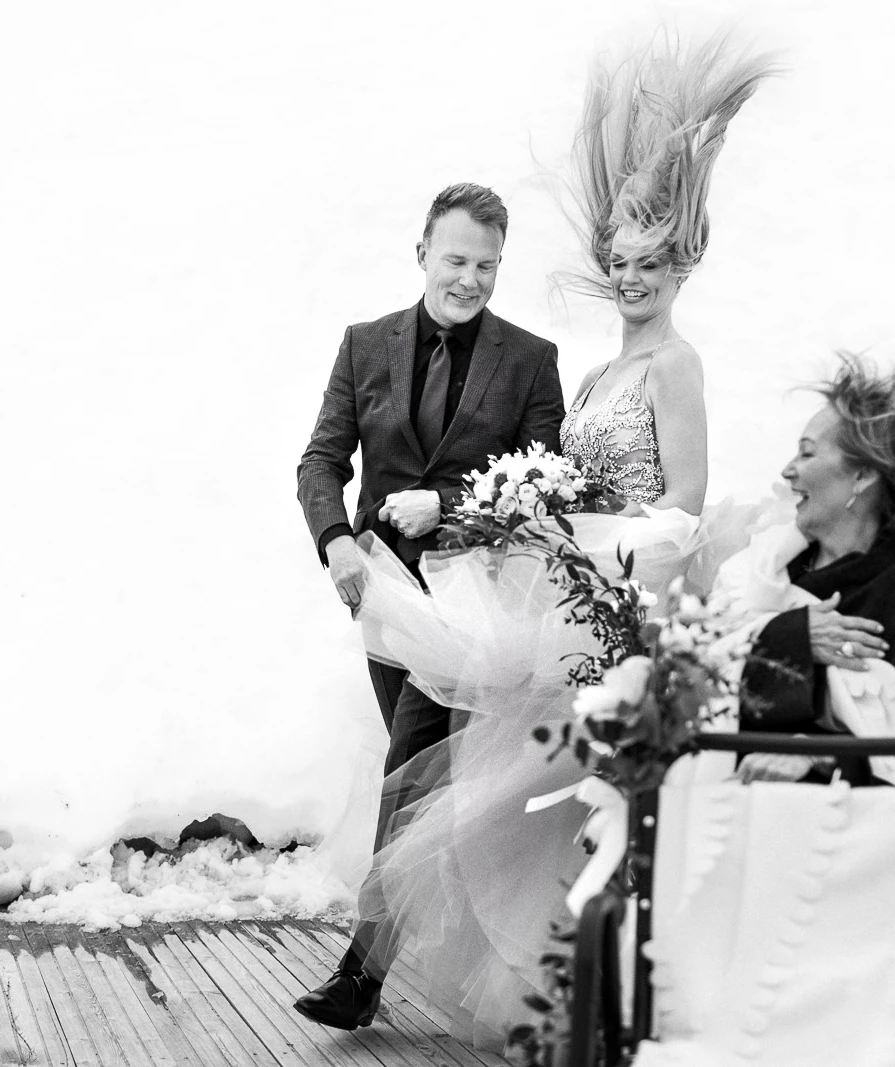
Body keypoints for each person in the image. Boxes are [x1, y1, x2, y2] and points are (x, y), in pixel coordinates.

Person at [330, 35, 778, 1050]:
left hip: (612, 603)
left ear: (680, 267)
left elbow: (685, 500)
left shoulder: (675, 365)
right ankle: (530, 981)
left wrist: (598, 561)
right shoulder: (593, 377)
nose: (630, 279)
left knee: (541, 793)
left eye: (649, 265)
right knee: (503, 794)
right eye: (619, 264)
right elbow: (564, 479)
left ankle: (578, 987)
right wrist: (530, 524)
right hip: (557, 598)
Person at [293, 182, 566, 1028]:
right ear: (422, 254)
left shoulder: (531, 360)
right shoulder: (363, 344)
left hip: (475, 610)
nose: (470, 280)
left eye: (487, 266)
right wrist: (335, 540)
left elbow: (546, 490)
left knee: (408, 770)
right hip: (383, 602)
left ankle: (362, 974)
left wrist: (445, 505)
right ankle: (496, 956)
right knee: (431, 786)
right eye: (456, 260)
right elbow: (320, 460)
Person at [733, 356, 895, 784]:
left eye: (807, 453)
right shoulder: (761, 569)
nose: (787, 470)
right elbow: (701, 688)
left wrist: (822, 759)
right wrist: (791, 639)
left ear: (863, 476)